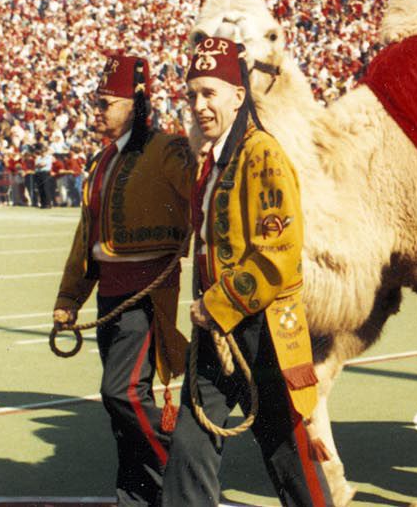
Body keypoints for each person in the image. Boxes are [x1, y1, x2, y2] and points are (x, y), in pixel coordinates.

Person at [163, 37, 333, 507]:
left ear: (238, 95)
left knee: (288, 454)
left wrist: (217, 305)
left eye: (209, 93)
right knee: (190, 446)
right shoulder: (214, 160)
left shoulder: (263, 155)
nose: (198, 105)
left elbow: (279, 251)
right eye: (192, 94)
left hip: (262, 333)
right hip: (215, 334)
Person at [52, 52, 195, 507]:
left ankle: (183, 471)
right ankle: (135, 497)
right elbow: (86, 237)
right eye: (97, 103)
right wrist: (70, 296)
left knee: (122, 393)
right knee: (120, 411)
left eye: (106, 102)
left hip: (146, 293)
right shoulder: (99, 162)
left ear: (134, 103)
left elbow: (204, 195)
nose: (97, 111)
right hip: (110, 295)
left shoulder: (168, 150)